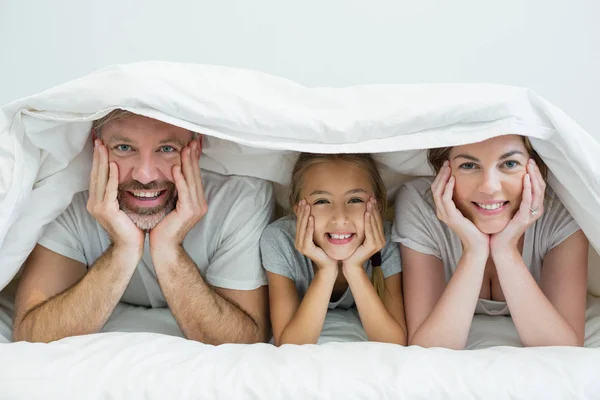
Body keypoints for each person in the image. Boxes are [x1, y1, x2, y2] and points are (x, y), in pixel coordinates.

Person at [12, 110, 274, 344]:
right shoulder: (68, 195)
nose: (145, 175)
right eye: (125, 147)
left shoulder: (238, 198)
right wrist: (123, 249)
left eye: (167, 149)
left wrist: (168, 249)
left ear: (195, 148)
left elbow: (245, 342)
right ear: (97, 145)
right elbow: (32, 336)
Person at [393, 134, 588, 349]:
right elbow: (430, 348)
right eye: (468, 165)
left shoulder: (561, 206)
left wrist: (505, 252)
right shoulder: (420, 204)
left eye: (510, 164)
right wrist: (474, 252)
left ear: (535, 169)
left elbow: (563, 348)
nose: (489, 187)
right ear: (444, 172)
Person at [260, 153, 406, 345]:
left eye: (355, 200)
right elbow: (290, 346)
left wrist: (354, 269)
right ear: (298, 210)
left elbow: (393, 343)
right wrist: (326, 271)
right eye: (322, 201)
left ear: (377, 206)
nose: (339, 217)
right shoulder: (279, 240)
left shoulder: (385, 242)